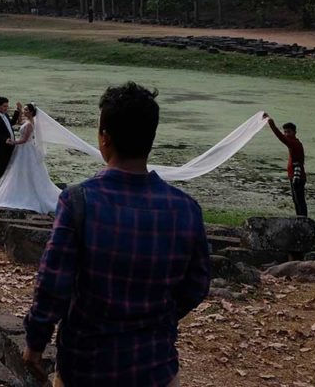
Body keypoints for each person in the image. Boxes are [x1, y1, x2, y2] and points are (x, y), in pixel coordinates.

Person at [22, 82, 210, 387]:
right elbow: (198, 283)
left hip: (87, 367)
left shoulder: (79, 201)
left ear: (105, 138)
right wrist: (158, 319)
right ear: (150, 138)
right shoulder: (185, 209)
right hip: (156, 367)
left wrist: (35, 344)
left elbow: (53, 285)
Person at [0, 103, 62, 214]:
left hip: (26, 149)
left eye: (26, 110)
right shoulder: (28, 121)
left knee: (24, 169)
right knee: (19, 169)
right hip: (23, 149)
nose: (24, 111)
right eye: (25, 109)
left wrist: (12, 142)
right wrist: (18, 110)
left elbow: (24, 140)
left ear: (31, 112)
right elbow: (18, 122)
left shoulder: (29, 124)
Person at [265, 115, 307, 217]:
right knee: (296, 200)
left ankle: (304, 220)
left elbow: (280, 137)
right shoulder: (294, 143)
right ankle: (300, 218)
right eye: (285, 132)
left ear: (294, 132)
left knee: (299, 200)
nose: (286, 134)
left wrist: (271, 124)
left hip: (298, 177)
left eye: (289, 132)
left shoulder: (294, 143)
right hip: (294, 176)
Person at [0, 97, 17, 181]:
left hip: (11, 145)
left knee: (10, 168)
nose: (6, 108)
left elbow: (11, 123)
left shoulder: (5, 114)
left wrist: (17, 111)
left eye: (7, 106)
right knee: (1, 168)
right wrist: (5, 140)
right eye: (4, 106)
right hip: (2, 148)